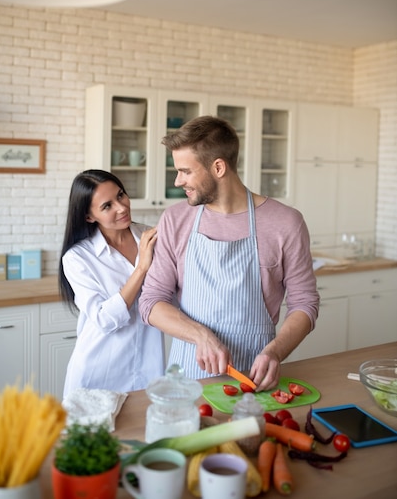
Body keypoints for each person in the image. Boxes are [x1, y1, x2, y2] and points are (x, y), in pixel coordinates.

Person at [139, 116, 319, 391]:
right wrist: (201, 336)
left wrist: (276, 352)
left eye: (186, 171)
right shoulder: (175, 220)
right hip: (188, 376)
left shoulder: (286, 223)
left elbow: (305, 303)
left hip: (255, 376)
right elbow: (151, 302)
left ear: (219, 167)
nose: (178, 181)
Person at [59, 169, 164, 397]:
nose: (122, 207)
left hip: (148, 369)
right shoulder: (78, 258)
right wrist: (142, 268)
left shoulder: (150, 236)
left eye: (121, 195)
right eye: (107, 206)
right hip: (99, 373)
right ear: (89, 216)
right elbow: (105, 319)